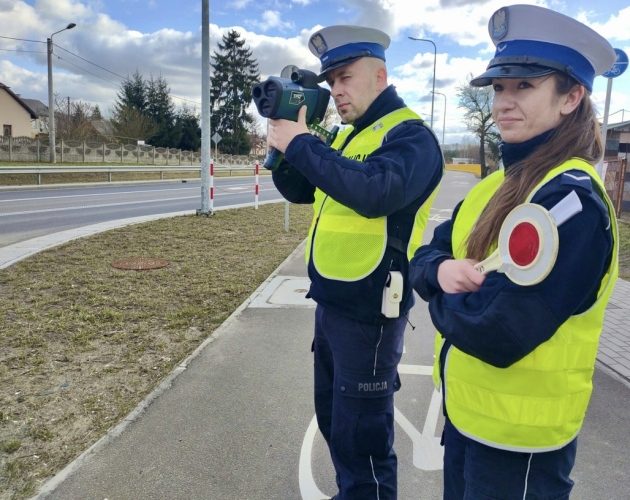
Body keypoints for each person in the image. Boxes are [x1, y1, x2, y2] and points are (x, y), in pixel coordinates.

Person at [409, 4, 619, 499]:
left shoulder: (570, 202)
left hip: (521, 445)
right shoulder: (497, 185)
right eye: (499, 87)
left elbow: (499, 331)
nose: (503, 101)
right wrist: (441, 272)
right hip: (468, 418)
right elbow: (427, 255)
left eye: (524, 86)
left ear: (572, 97)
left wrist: (438, 294)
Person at [267, 25, 443, 499]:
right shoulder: (348, 138)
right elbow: (303, 190)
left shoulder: (412, 137)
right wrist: (281, 148)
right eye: (330, 83)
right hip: (333, 307)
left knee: (363, 441)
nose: (336, 92)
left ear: (380, 75)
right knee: (334, 422)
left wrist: (303, 144)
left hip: (371, 317)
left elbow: (374, 192)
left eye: (345, 78)